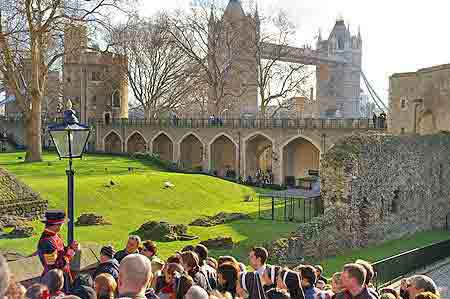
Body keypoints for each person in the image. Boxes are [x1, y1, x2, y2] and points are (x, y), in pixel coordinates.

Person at [37, 210, 79, 291]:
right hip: (53, 281)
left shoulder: (56, 236)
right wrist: (71, 251)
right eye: (61, 224)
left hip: (63, 277)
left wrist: (70, 247)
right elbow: (54, 265)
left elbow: (61, 252)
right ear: (57, 225)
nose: (62, 226)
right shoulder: (46, 242)